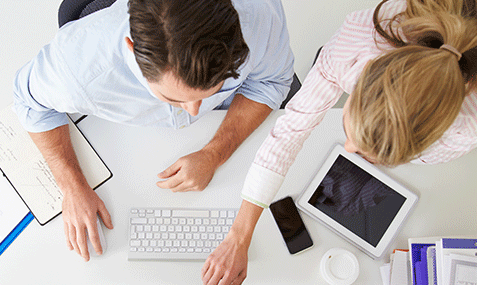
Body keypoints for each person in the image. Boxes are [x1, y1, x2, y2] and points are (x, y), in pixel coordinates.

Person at [202, 0, 477, 284]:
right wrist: (238, 237)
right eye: (350, 133)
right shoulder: (359, 41)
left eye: (369, 156)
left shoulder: (466, 130)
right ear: (363, 76)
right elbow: (290, 128)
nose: (347, 150)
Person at [12, 0, 295, 262]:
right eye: (174, 98)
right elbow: (29, 103)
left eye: (213, 89)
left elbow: (270, 83)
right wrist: (72, 185)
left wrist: (214, 153)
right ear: (132, 49)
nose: (194, 111)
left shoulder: (259, 15)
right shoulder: (77, 66)